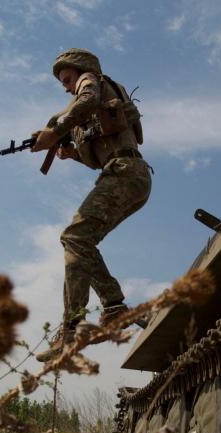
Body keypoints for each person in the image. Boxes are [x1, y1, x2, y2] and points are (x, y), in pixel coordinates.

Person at [31, 48, 151, 362]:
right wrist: (71, 152)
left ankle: (72, 327)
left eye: (66, 79)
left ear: (81, 70)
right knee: (81, 241)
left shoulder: (90, 81)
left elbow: (85, 102)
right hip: (128, 175)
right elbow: (104, 151)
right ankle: (112, 307)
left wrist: (55, 131)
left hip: (125, 173)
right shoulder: (95, 98)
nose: (66, 87)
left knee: (74, 237)